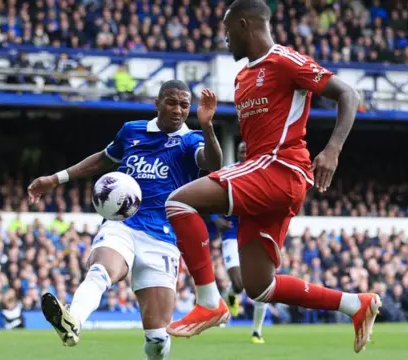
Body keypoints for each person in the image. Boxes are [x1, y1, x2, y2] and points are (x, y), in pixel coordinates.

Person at [163, 0, 381, 353]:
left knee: (178, 202)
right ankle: (354, 305)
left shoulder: (284, 61)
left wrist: (333, 149)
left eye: (227, 31)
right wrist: (227, 139)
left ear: (245, 25)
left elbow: (349, 94)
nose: (225, 40)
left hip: (281, 169)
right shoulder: (242, 78)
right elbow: (262, 136)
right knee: (258, 286)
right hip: (267, 175)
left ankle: (208, 301)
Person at [26, 80, 223, 360]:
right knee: (100, 270)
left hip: (163, 237)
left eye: (184, 105)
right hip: (123, 224)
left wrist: (208, 126)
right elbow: (103, 160)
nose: (178, 110)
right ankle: (74, 321)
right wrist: (56, 179)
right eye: (171, 102)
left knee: (156, 338)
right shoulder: (132, 131)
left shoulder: (191, 140)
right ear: (157, 103)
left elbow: (213, 163)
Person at [211, 142, 268, 344]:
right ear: (237, 152)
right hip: (232, 233)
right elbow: (208, 195)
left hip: (256, 233)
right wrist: (214, 217)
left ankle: (256, 331)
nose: (244, 152)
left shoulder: (263, 174)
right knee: (238, 282)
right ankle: (232, 294)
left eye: (247, 149)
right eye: (241, 150)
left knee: (263, 283)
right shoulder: (228, 172)